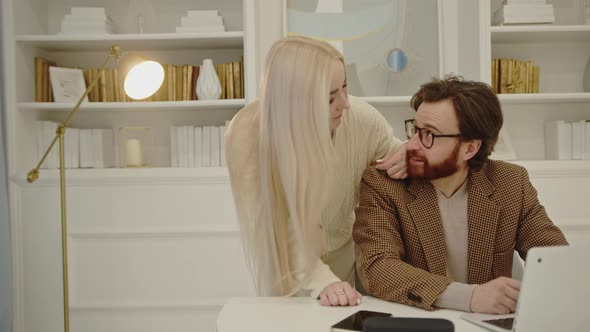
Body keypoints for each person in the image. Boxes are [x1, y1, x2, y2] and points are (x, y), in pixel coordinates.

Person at [353, 76, 568, 314]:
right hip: (416, 322)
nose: (411, 144)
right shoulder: (384, 184)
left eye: (429, 134)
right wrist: (470, 297)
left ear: (470, 148)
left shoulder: (510, 183)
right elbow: (378, 267)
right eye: (415, 129)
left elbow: (556, 259)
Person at [225, 36, 407, 306]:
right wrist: (322, 281)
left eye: (345, 86)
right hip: (289, 270)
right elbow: (274, 228)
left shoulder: (360, 117)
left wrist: (408, 156)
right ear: (294, 101)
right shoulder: (248, 137)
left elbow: (394, 155)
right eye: (330, 97)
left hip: (349, 257)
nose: (345, 103)